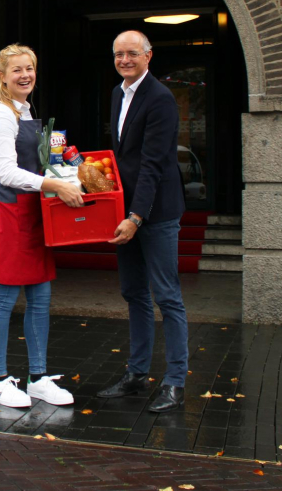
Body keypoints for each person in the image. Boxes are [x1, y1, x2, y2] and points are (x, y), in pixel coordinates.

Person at [0, 44, 84, 409]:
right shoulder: (0, 114)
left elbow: (33, 163)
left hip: (31, 210)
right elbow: (6, 172)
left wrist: (65, 168)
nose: (25, 75)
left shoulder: (23, 109)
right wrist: (55, 185)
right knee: (5, 297)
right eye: (17, 70)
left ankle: (38, 378)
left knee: (40, 298)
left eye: (30, 69)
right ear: (3, 76)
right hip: (9, 210)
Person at [98, 30, 188, 413]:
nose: (124, 60)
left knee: (167, 296)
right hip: (128, 210)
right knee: (133, 293)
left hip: (157, 213)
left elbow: (151, 165)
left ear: (149, 56)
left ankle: (175, 382)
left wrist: (136, 216)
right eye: (119, 54)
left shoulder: (161, 99)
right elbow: (122, 159)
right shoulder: (118, 94)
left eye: (132, 54)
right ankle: (137, 374)